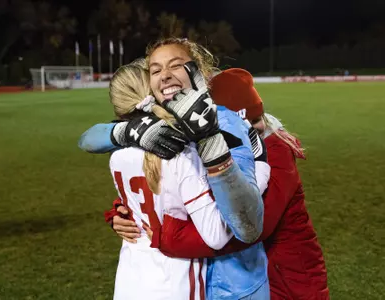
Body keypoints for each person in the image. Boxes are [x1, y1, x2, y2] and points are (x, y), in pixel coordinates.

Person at [110, 68, 330, 300]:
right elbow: (175, 189)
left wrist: (166, 239)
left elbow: (250, 230)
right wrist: (127, 213)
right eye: (244, 123)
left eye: (258, 119)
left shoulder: (275, 151)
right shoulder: (214, 149)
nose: (256, 129)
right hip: (237, 281)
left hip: (287, 283)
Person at [79, 38, 270, 299]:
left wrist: (211, 142)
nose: (165, 75)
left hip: (233, 285)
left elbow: (248, 226)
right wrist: (125, 132)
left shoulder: (227, 124)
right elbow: (87, 139)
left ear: (199, 73)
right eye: (156, 70)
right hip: (189, 278)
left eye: (176, 65)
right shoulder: (155, 128)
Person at [107, 62, 239, 299]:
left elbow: (135, 206)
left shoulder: (116, 156)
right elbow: (217, 235)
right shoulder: (182, 152)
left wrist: (116, 214)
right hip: (175, 280)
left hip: (129, 278)